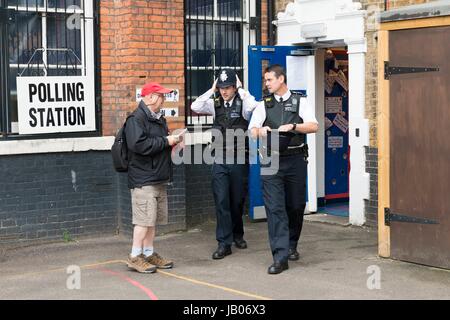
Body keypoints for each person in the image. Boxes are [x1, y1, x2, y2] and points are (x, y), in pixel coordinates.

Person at [248, 64, 318, 274]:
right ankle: (280, 256)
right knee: (275, 208)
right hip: (271, 161)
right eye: (265, 80)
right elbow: (252, 131)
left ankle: (291, 244)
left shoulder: (299, 102)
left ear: (281, 79)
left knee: (296, 206)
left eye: (269, 80)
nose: (266, 84)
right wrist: (261, 130)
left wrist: (294, 126)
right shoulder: (263, 105)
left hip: (295, 158)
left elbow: (314, 126)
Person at [191, 69, 257, 259]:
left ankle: (238, 234)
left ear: (234, 87)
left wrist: (242, 90)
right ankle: (224, 243)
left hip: (239, 158)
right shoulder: (214, 103)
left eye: (227, 87)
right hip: (219, 158)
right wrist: (211, 89)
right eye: (221, 88)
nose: (224, 91)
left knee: (236, 201)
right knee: (221, 200)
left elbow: (254, 106)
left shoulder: (243, 103)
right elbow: (196, 105)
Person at [125, 82, 182, 273]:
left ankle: (148, 253)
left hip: (158, 176)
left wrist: (172, 143)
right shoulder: (136, 119)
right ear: (149, 97)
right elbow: (138, 145)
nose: (163, 99)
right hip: (144, 178)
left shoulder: (158, 118)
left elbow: (158, 144)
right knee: (142, 220)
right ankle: (134, 256)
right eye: (161, 96)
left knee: (152, 220)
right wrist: (166, 141)